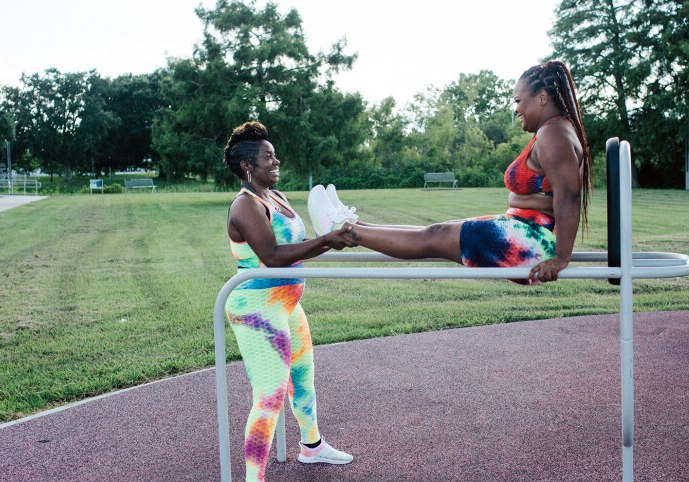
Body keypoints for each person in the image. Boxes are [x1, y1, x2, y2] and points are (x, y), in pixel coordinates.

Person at [309, 60, 592, 284]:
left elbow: (568, 196)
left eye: (518, 100)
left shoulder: (553, 132)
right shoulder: (553, 130)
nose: (515, 108)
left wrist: (561, 258)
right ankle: (353, 225)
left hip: (530, 241)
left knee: (432, 237)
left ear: (541, 97)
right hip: (523, 231)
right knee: (431, 233)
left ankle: (346, 232)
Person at [223, 121, 356, 481]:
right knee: (270, 395)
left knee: (303, 378)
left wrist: (332, 229)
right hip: (257, 310)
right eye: (269, 157)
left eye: (275, 154)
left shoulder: (276, 197)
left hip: (286, 304)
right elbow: (273, 255)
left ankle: (311, 446)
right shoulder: (245, 206)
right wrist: (327, 240)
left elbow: (297, 243)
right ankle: (254, 479)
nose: (276, 161)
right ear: (248, 166)